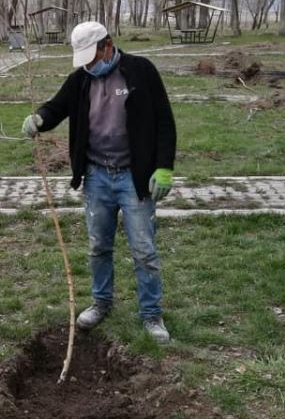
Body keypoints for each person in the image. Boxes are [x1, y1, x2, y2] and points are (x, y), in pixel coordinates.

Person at [21, 21, 176, 344]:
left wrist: (163, 167)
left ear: (108, 45)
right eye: (85, 60)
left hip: (135, 178)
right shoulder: (81, 80)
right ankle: (101, 303)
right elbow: (57, 106)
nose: (90, 65)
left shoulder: (141, 71)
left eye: (93, 57)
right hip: (97, 177)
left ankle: (151, 314)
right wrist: (39, 118)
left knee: (144, 250)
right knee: (98, 247)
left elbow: (164, 120)